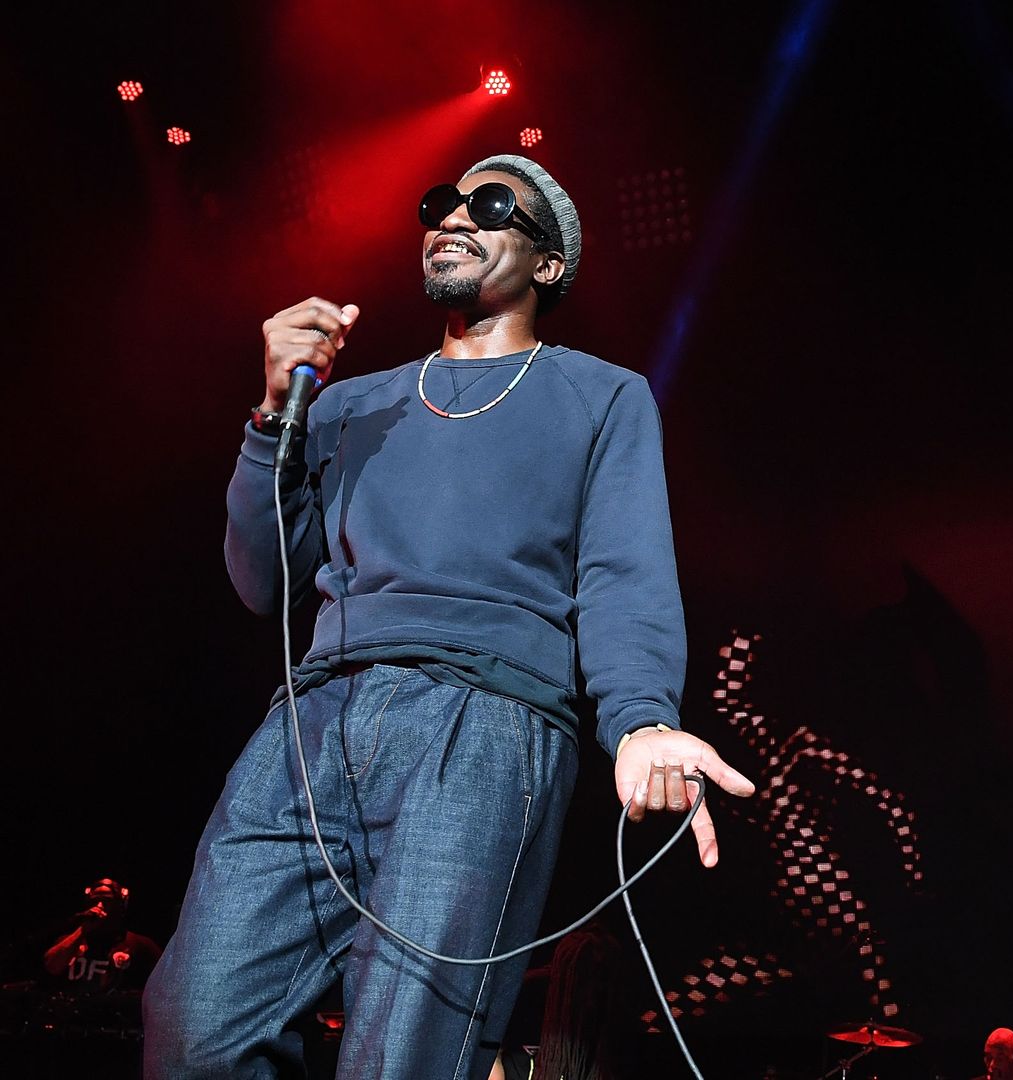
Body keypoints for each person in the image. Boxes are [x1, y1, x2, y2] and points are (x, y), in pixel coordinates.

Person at [143, 154, 755, 1078]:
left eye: (494, 205)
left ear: (549, 265)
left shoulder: (601, 395)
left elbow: (623, 571)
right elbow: (264, 584)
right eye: (443, 204)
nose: (456, 218)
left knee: (406, 1058)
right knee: (194, 1031)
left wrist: (641, 720)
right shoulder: (353, 405)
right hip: (312, 727)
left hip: (482, 729)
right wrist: (272, 416)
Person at [41, 878, 160, 995]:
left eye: (107, 901)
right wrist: (82, 930)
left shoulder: (139, 944)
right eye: (94, 901)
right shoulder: (70, 941)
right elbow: (52, 967)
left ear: (120, 905)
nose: (99, 905)